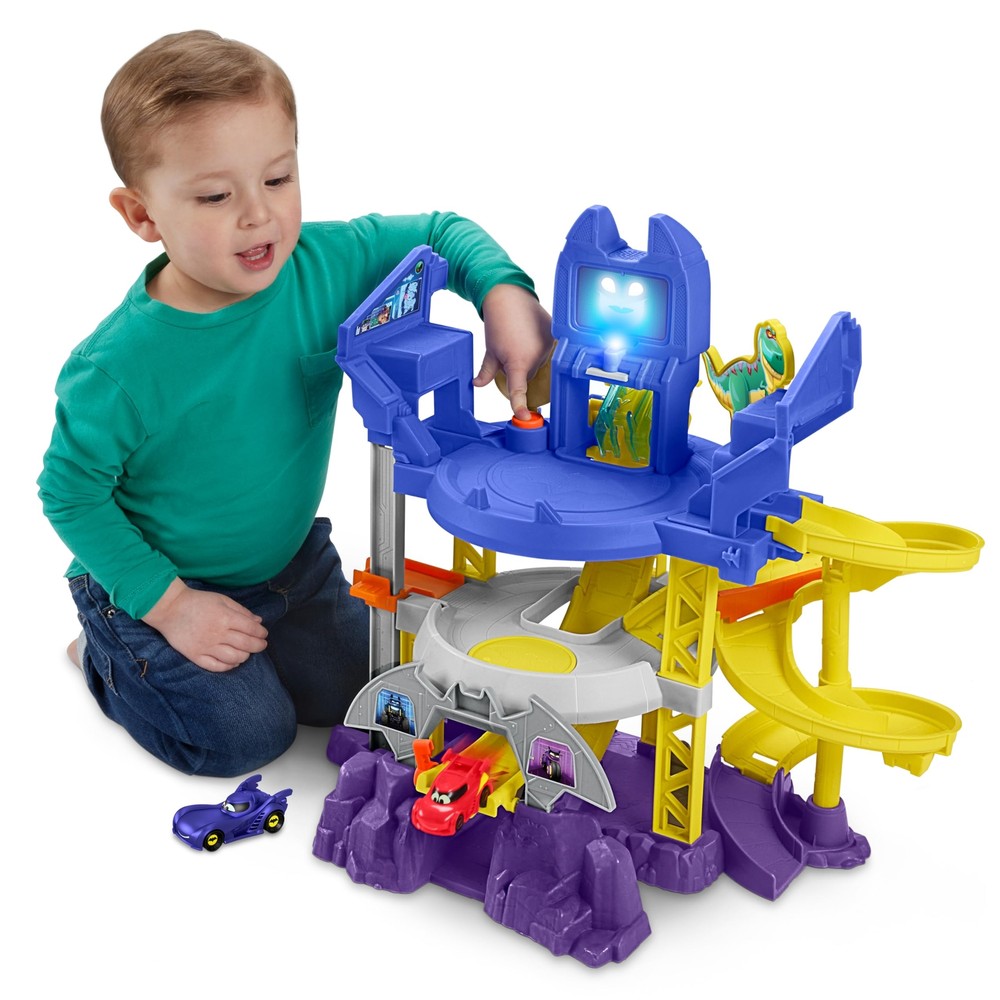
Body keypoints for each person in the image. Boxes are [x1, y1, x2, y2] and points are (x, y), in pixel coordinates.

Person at [37, 30, 553, 777]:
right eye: (216, 196)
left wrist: (502, 293)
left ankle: (258, 648)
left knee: (380, 689)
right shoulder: (117, 365)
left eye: (277, 178)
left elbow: (442, 234)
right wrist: (170, 606)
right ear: (142, 214)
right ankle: (107, 653)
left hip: (289, 567)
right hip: (161, 581)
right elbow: (69, 493)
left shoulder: (323, 262)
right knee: (249, 737)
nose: (259, 216)